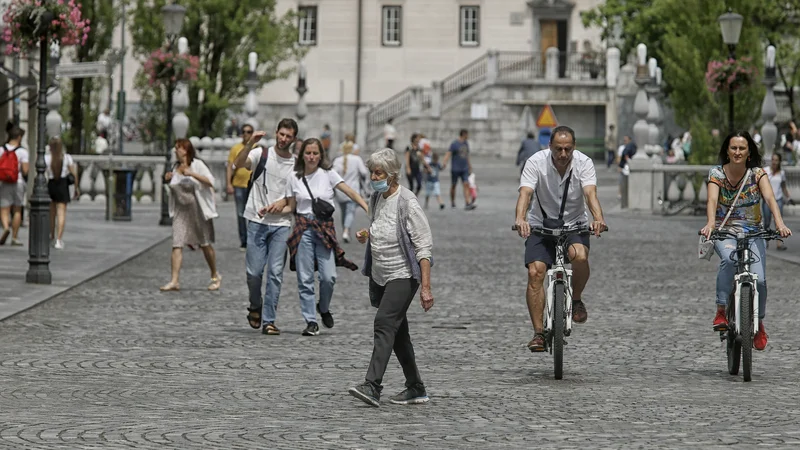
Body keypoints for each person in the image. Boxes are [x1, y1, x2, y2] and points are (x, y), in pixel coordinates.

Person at [348, 148, 434, 407]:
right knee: (398, 333)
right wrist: (368, 234)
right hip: (381, 275)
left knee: (384, 323)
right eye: (372, 172)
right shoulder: (376, 198)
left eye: (379, 172)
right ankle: (415, 387)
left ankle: (372, 385)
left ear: (393, 175)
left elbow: (424, 246)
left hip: (403, 275)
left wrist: (426, 287)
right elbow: (384, 228)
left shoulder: (407, 202)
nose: (374, 177)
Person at [514, 125, 607, 352]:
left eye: (567, 149)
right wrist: (520, 218)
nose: (563, 155)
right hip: (540, 225)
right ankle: (538, 333)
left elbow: (589, 193)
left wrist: (598, 218)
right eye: (558, 149)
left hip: (574, 224)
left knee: (580, 255)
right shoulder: (536, 162)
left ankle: (576, 299)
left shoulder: (584, 163)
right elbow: (525, 192)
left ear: (574, 148)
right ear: (550, 147)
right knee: (535, 272)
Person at [700, 131, 792, 351]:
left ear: (749, 152)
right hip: (726, 232)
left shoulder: (758, 174)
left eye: (742, 148)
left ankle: (758, 323)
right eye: (734, 148)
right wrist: (711, 224)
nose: (738, 152)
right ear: (727, 151)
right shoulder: (717, 174)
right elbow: (712, 200)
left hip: (754, 233)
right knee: (729, 262)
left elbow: (770, 198)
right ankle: (722, 310)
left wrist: (779, 224)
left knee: (759, 280)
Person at [281, 138, 368, 336]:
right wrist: (273, 209)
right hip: (303, 228)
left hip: (324, 229)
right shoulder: (294, 177)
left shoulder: (328, 174)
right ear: (302, 155)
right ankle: (311, 321)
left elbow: (350, 191)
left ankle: (324, 307)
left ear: (321, 155)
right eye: (308, 153)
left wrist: (367, 208)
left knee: (329, 277)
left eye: (315, 153)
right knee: (305, 278)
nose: (311, 157)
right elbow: (291, 207)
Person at [232, 119, 298, 335]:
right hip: (256, 220)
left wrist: (283, 206)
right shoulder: (261, 153)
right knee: (254, 272)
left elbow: (296, 199)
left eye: (288, 136)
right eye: (281, 134)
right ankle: (255, 305)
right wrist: (250, 143)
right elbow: (239, 164)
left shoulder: (296, 165)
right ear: (276, 132)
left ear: (293, 139)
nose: (283, 139)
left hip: (281, 225)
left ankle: (269, 320)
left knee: (275, 273)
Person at [160, 139, 221, 292]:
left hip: (198, 210)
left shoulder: (197, 165)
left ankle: (215, 275)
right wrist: (168, 179)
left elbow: (211, 181)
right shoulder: (175, 167)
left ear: (186, 150)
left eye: (178, 148)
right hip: (181, 211)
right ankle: (174, 280)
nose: (175, 151)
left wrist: (192, 174)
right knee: (177, 243)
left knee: (205, 244)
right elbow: (173, 188)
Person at [44, 137, 79, 249]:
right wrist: (76, 188)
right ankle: (59, 240)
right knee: (61, 213)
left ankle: (51, 236)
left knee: (51, 214)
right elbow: (74, 174)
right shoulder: (67, 158)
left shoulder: (46, 158)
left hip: (51, 185)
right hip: (62, 185)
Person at [332, 140, 369, 243]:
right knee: (350, 212)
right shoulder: (357, 159)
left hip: (340, 191)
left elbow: (333, 174)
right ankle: (346, 230)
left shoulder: (337, 160)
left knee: (344, 211)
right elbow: (364, 172)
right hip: (353, 190)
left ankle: (345, 230)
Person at [226, 124, 255, 250]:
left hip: (253, 185)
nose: (246, 134)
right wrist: (228, 183)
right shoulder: (235, 148)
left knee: (253, 213)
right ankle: (244, 241)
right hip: (238, 184)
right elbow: (230, 167)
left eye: (249, 132)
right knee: (240, 213)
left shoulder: (256, 148)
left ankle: (253, 239)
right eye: (244, 131)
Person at [0, 127, 28, 246]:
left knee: (4, 209)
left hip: (4, 182)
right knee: (17, 209)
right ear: (19, 137)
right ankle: (15, 237)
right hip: (19, 182)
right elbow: (26, 170)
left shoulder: (1, 149)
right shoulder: (22, 151)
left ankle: (6, 227)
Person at [762, 153, 792, 251]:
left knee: (778, 222)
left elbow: (783, 187)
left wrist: (788, 197)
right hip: (767, 201)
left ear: (779, 161)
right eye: (773, 160)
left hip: (778, 199)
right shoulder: (765, 171)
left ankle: (779, 243)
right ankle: (765, 241)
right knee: (766, 222)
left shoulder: (781, 173)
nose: (774, 162)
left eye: (776, 160)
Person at [441, 129, 475, 210]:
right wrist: (444, 162)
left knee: (466, 184)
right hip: (455, 168)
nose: (468, 136)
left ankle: (467, 202)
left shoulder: (466, 143)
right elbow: (449, 153)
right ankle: (453, 202)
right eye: (467, 134)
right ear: (463, 134)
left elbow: (467, 155)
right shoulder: (454, 144)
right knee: (454, 185)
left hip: (464, 168)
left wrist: (469, 166)